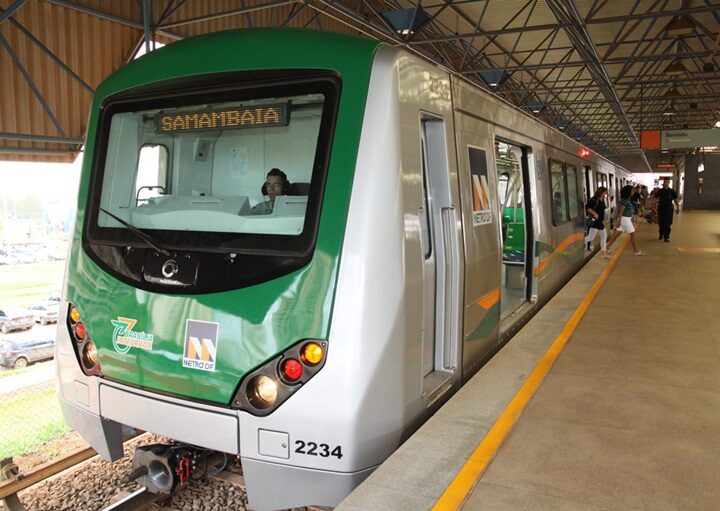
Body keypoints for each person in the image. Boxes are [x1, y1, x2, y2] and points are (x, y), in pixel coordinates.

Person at [607, 184, 644, 256]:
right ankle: (636, 251)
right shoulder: (624, 201)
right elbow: (621, 212)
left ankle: (607, 248)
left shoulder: (626, 200)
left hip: (626, 219)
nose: (633, 192)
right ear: (628, 192)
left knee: (616, 234)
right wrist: (619, 221)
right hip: (625, 219)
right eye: (632, 191)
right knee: (633, 234)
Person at [584, 187, 611, 259]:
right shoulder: (594, 199)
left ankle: (579, 244)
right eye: (605, 192)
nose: (606, 194)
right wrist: (594, 213)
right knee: (604, 235)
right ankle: (603, 253)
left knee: (590, 237)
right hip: (596, 221)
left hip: (598, 221)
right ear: (601, 192)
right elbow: (587, 207)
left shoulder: (602, 199)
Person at [656, 177, 680, 242]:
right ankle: (661, 234)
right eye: (665, 181)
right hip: (661, 209)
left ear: (669, 182)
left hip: (669, 209)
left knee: (668, 223)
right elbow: (655, 199)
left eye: (667, 181)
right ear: (663, 182)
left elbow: (675, 200)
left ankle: (667, 237)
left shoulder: (672, 191)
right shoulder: (660, 191)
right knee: (661, 223)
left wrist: (678, 208)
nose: (666, 183)